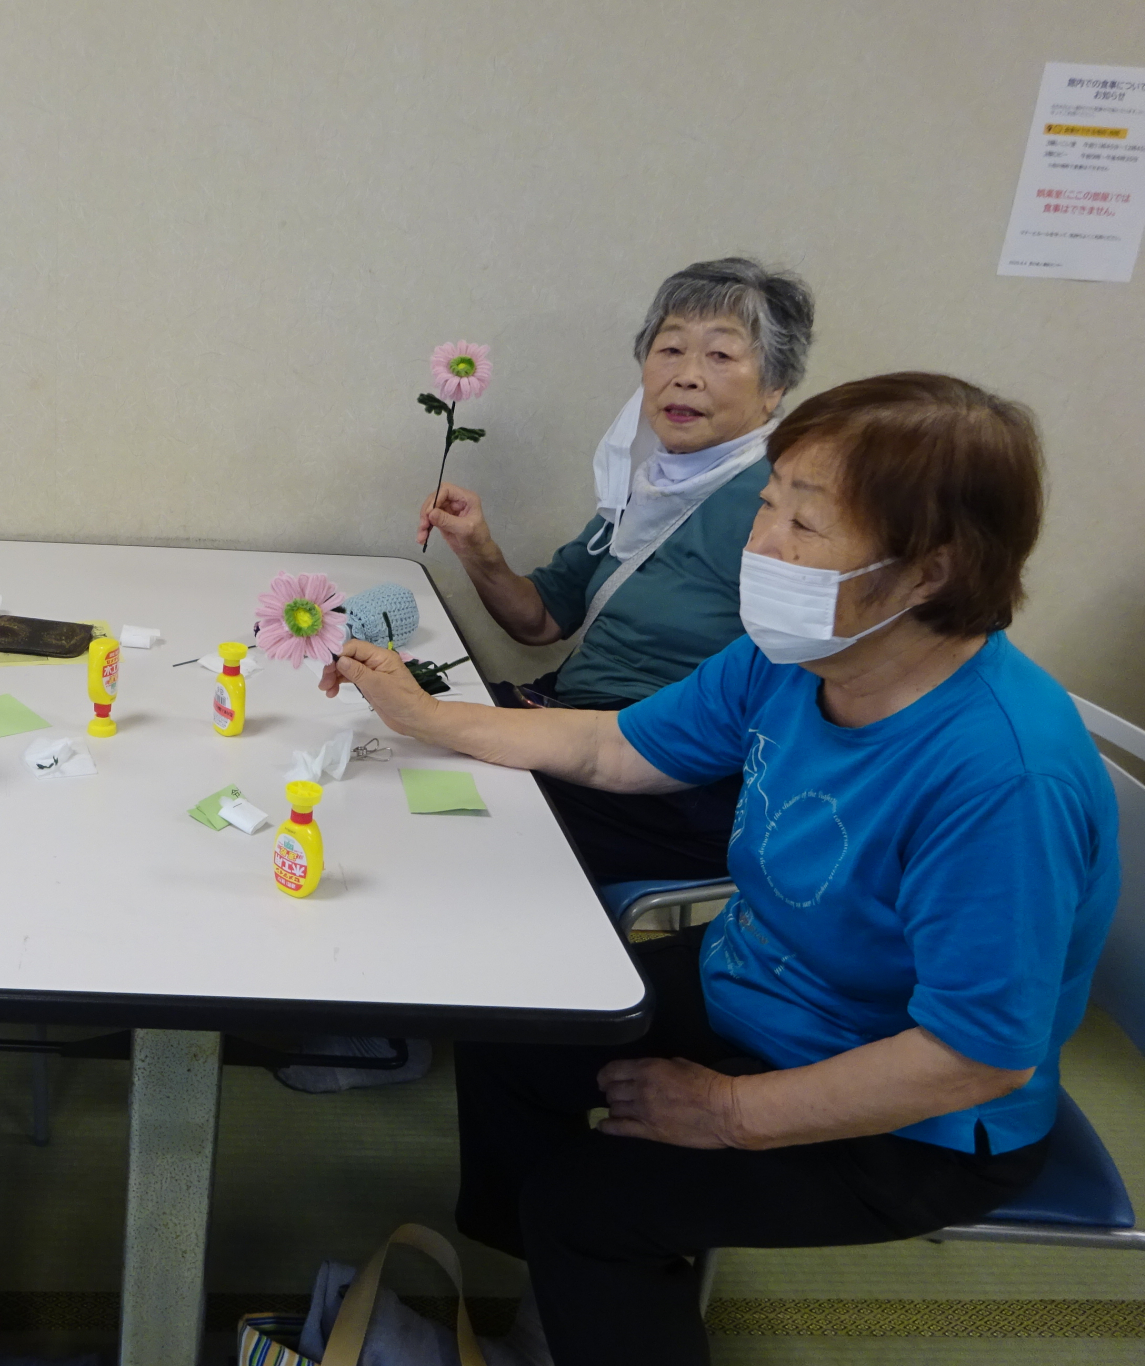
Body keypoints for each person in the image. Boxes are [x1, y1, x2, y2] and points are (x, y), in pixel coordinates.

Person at [328, 374, 1120, 1366]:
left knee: (590, 1202)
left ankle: (583, 1267)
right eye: (767, 503)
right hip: (761, 984)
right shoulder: (794, 659)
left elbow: (977, 1054)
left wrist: (729, 1113)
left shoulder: (1002, 777)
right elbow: (617, 747)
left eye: (805, 523)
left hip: (924, 1120)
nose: (762, 543)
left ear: (931, 571)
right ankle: (560, 1315)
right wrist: (428, 716)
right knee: (518, 1021)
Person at [418, 258, 814, 884]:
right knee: (395, 743)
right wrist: (477, 549)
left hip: (665, 781)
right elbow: (541, 621)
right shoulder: (651, 481)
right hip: (572, 724)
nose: (686, 376)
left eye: (720, 355)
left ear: (776, 385)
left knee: (432, 805)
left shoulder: (782, 503)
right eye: (670, 349)